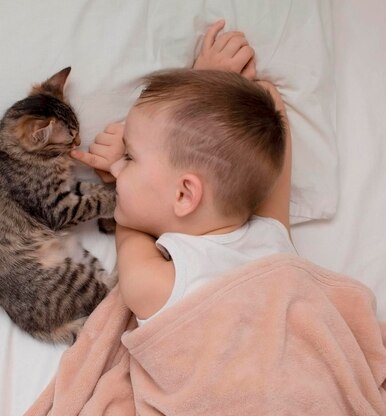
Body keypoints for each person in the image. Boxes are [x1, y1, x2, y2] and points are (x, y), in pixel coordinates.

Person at [70, 19, 296, 325]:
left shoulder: (158, 286)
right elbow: (271, 107)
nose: (118, 163)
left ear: (184, 193)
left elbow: (133, 224)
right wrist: (208, 84)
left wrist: (116, 177)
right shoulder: (272, 242)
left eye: (129, 156)